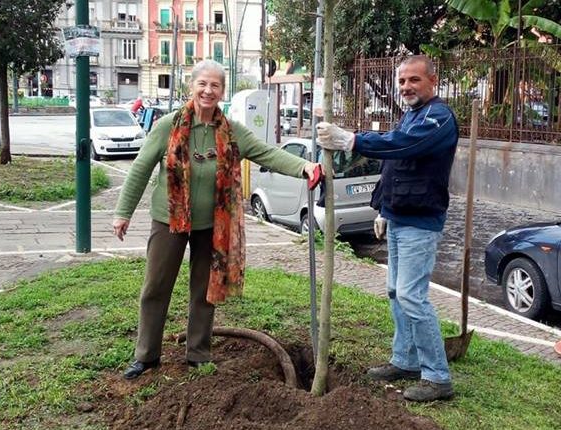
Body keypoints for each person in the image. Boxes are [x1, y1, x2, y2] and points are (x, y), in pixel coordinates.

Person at [112, 60, 321, 380]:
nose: (208, 91)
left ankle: (197, 353)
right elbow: (140, 168)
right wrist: (122, 213)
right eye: (202, 84)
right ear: (191, 87)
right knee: (155, 286)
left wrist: (303, 167)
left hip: (212, 223)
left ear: (223, 91)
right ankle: (146, 356)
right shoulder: (168, 125)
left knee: (204, 290)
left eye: (215, 86)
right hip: (168, 219)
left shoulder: (231, 130)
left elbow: (266, 153)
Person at [316, 55, 458, 402]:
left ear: (433, 81)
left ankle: (438, 377)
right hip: (399, 216)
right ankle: (406, 359)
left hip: (420, 222)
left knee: (412, 295)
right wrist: (383, 209)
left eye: (414, 80)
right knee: (396, 292)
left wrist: (352, 141)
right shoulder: (412, 114)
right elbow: (397, 167)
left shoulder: (439, 118)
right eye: (402, 81)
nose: (406, 87)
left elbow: (401, 146)